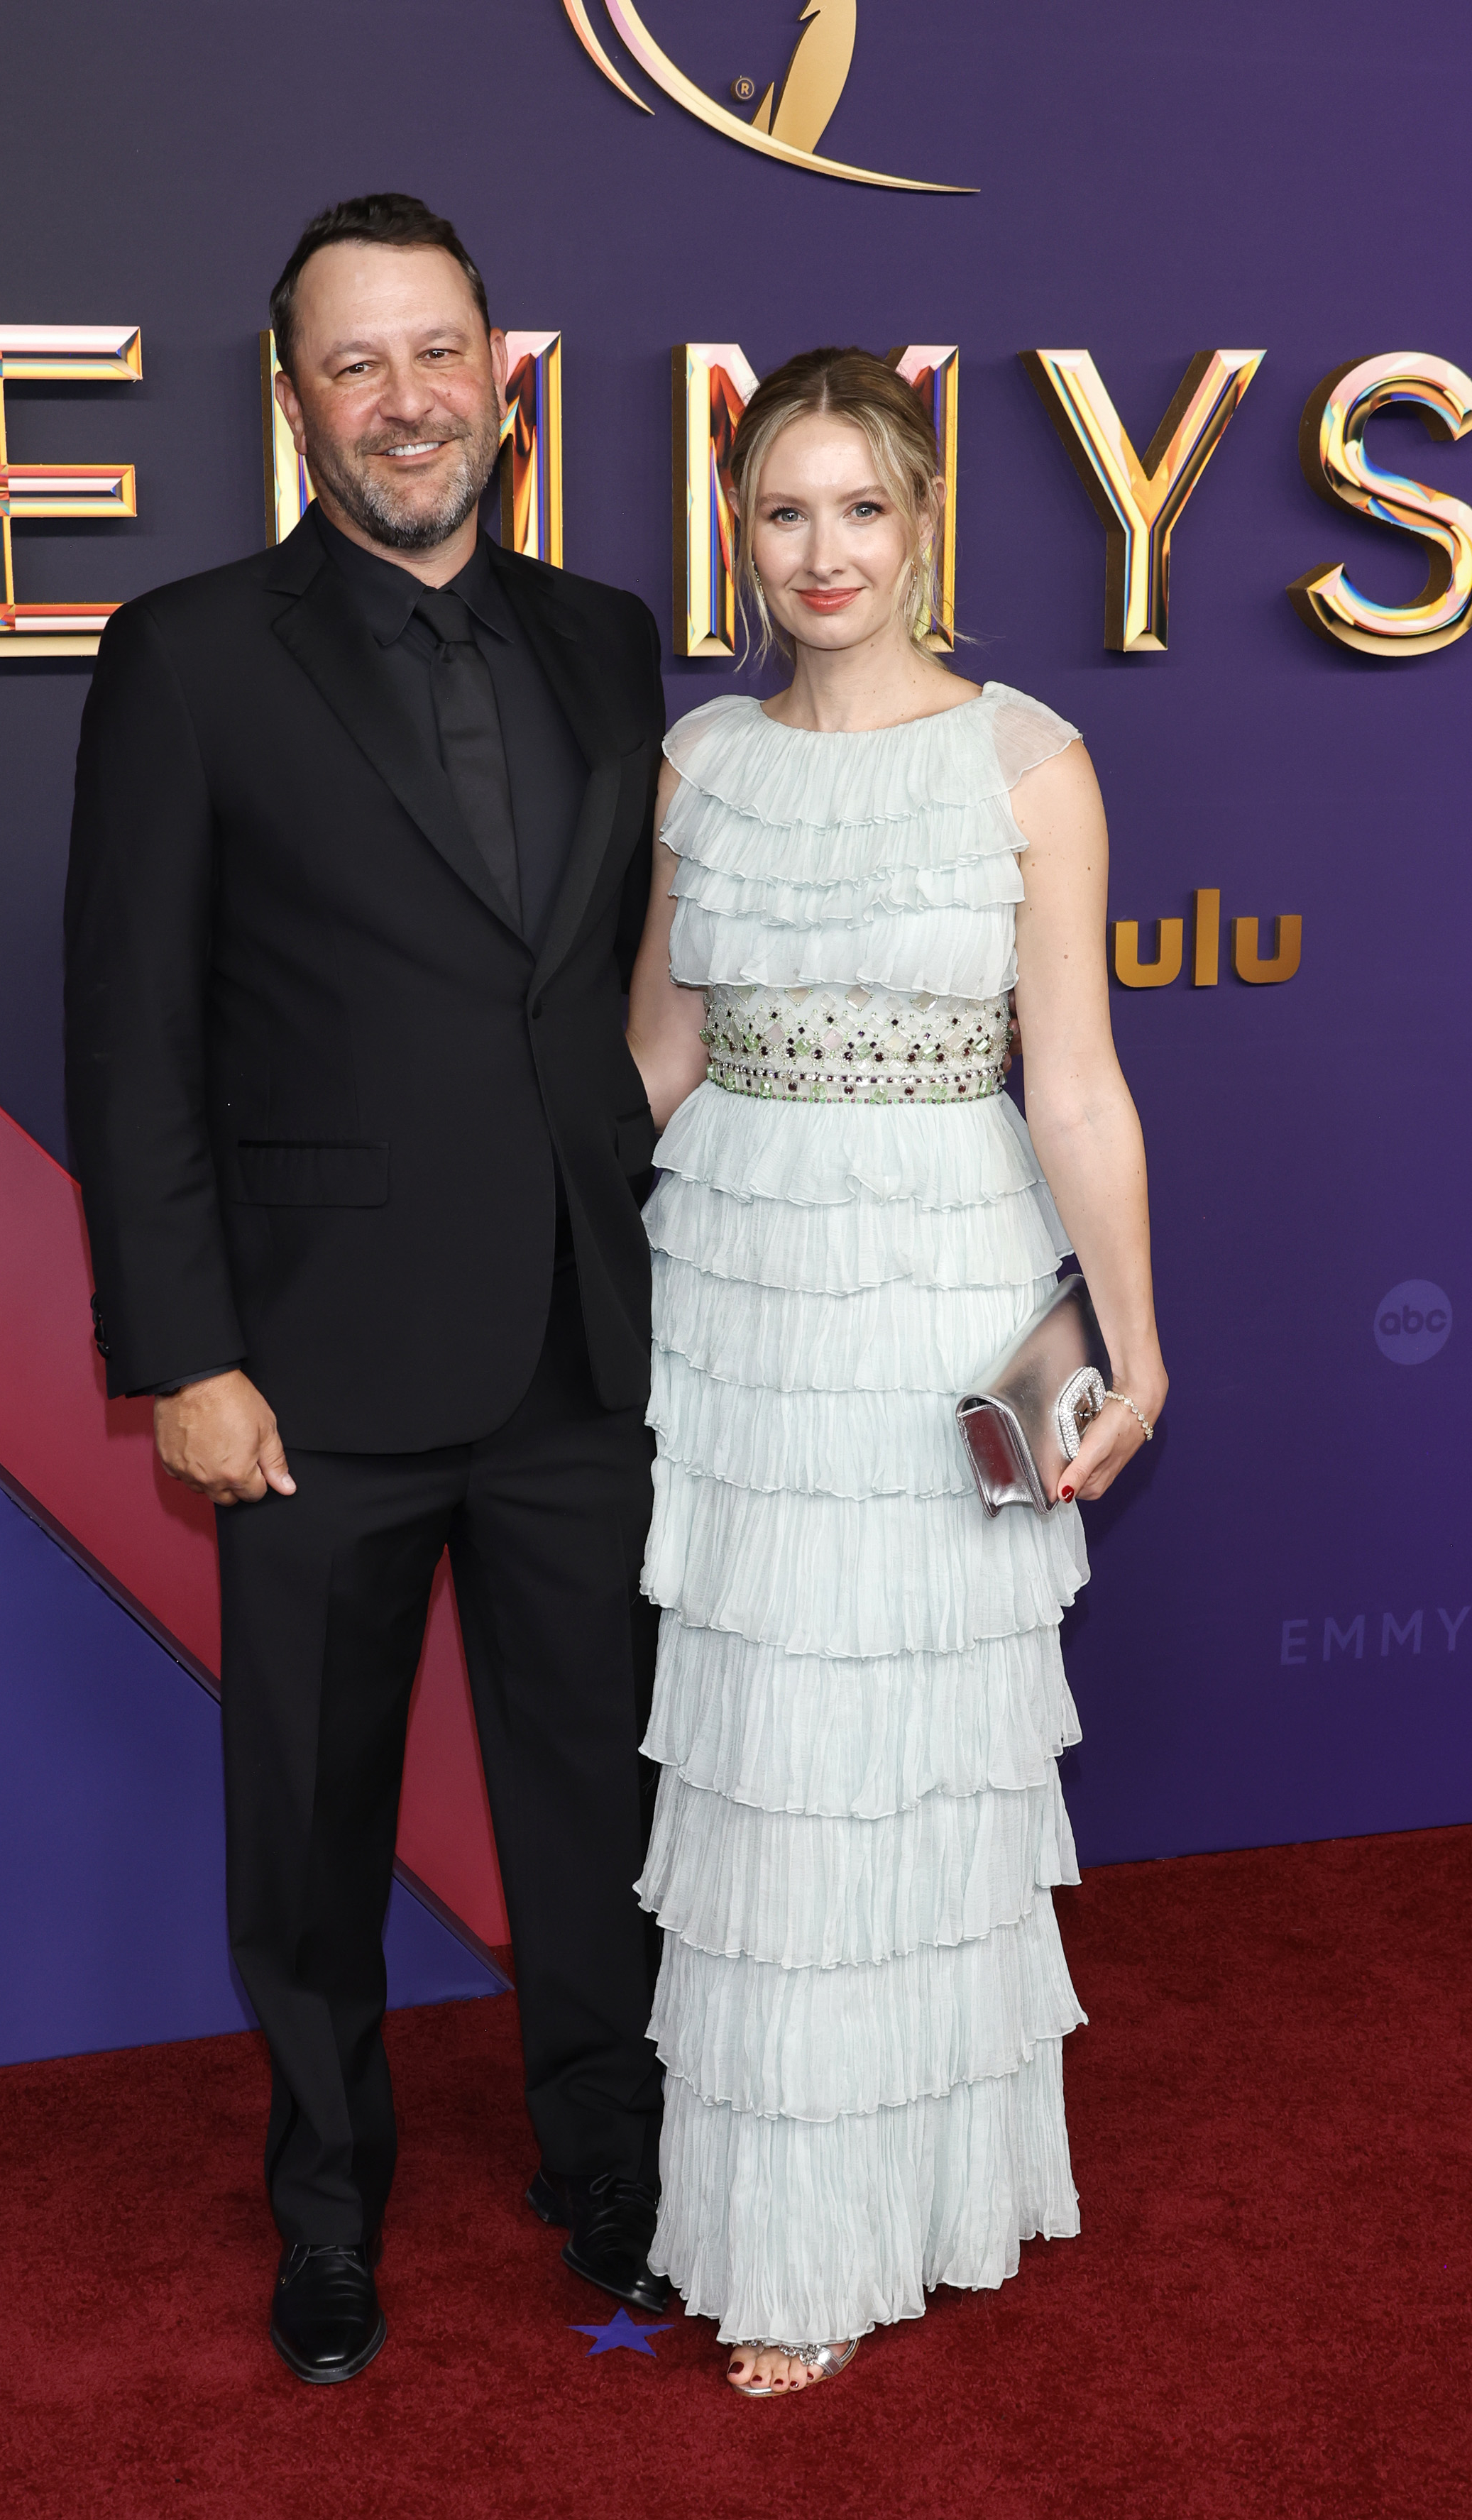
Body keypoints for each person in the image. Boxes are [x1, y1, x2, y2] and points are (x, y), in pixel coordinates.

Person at [64, 194, 671, 2385]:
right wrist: (185, 1352)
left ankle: (610, 2158)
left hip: (584, 1346)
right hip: (307, 1364)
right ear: (295, 394)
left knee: (599, 1804)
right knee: (308, 1829)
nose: (409, 400)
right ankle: (329, 2211)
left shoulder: (612, 636)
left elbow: (614, 999)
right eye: (358, 362)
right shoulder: (195, 651)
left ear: (505, 372)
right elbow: (130, 1031)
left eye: (442, 353)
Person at [626, 348, 1168, 2397]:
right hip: (740, 1302)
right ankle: (789, 2234)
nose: (823, 551)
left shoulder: (1029, 760)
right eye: (784, 512)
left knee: (932, 1752)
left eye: (860, 507)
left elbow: (1080, 1079)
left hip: (956, 1293)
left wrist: (1131, 1339)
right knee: (768, 1759)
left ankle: (920, 2198)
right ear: (741, 539)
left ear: (926, 518)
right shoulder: (704, 764)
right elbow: (654, 1063)